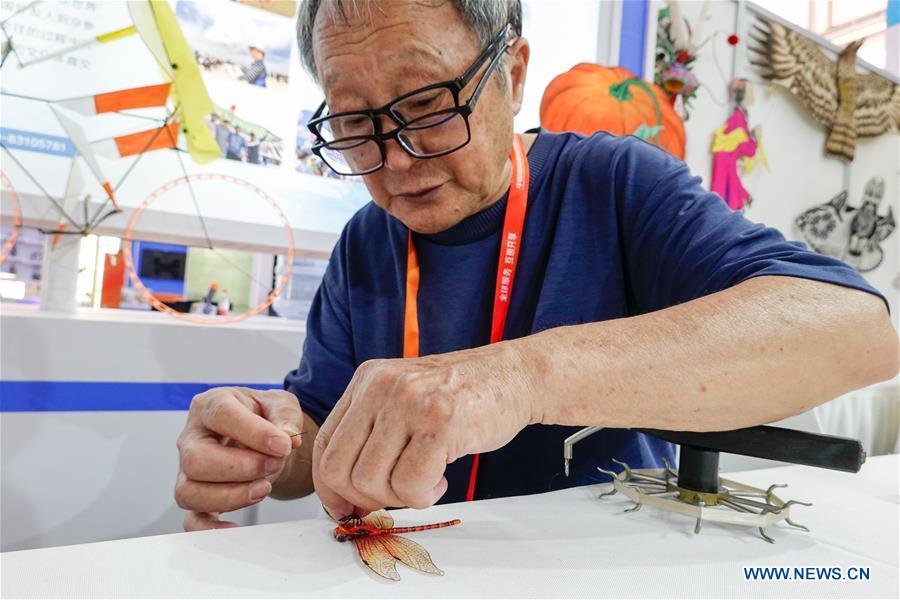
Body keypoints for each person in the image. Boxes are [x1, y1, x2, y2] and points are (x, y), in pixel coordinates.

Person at [175, 0, 899, 531]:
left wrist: (519, 377)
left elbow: (857, 331)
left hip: (595, 564)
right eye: (357, 125)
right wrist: (272, 441)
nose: (395, 160)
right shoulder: (368, 242)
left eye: (428, 106)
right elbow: (322, 430)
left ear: (513, 74)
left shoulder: (611, 184)